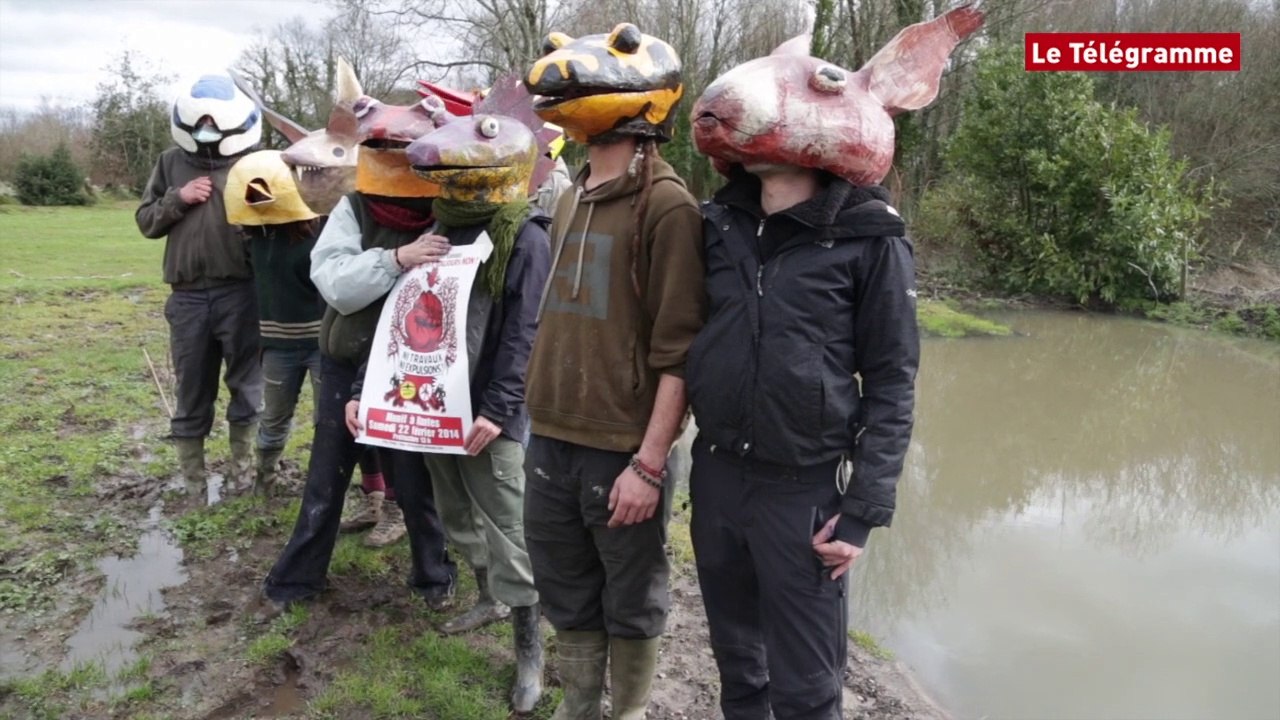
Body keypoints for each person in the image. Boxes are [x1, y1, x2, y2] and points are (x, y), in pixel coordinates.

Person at [681, 8, 979, 716]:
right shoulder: (717, 225)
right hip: (716, 475)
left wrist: (862, 514)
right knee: (738, 665)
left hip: (802, 493)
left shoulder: (872, 240)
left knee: (809, 687)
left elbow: (892, 381)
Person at [348, 87, 552, 710]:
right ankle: (487, 598)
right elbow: (400, 315)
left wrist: (499, 408)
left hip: (489, 417)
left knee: (509, 530)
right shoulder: (439, 227)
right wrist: (363, 391)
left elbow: (526, 331)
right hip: (432, 409)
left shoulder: (526, 237)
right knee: (458, 517)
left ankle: (530, 652)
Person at [522, 24, 706, 719]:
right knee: (564, 585)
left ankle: (626, 711)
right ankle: (579, 706)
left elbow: (678, 350)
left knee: (632, 597)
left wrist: (650, 465)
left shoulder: (668, 206)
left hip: (621, 451)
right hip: (549, 438)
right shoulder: (568, 197)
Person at [254, 85, 458, 616]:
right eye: (381, 147)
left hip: (412, 369)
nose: (390, 156)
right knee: (326, 476)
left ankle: (434, 578)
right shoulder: (354, 207)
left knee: (414, 482)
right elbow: (335, 283)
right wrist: (397, 259)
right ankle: (296, 580)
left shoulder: (449, 212)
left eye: (401, 148)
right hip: (344, 362)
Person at [136, 72, 264, 498]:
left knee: (246, 385)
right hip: (187, 297)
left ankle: (242, 474)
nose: (207, 129)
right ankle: (194, 485)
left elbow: (278, 223)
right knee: (191, 388)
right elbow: (146, 221)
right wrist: (178, 198)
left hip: (241, 294)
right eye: (201, 122)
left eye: (215, 123)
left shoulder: (253, 162)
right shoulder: (169, 162)